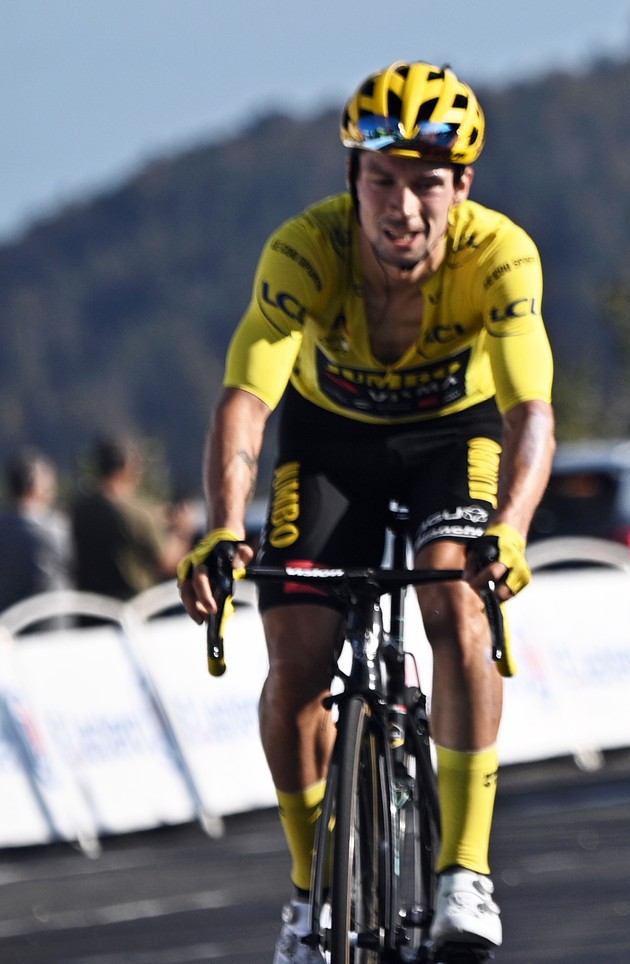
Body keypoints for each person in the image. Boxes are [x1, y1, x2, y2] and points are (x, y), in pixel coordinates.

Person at [176, 62, 555, 963]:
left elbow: (529, 408)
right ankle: (310, 894)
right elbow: (245, 400)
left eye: (426, 183)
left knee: (456, 601)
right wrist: (226, 525)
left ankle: (465, 872)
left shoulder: (500, 254)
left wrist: (513, 525)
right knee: (297, 663)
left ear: (461, 186)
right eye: (381, 181)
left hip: (448, 439)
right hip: (328, 442)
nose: (403, 207)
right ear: (353, 180)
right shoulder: (305, 250)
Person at [70, 434, 184, 599]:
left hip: (90, 610)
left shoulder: (80, 508)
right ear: (127, 465)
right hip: (133, 609)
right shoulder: (137, 513)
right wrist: (181, 530)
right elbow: (168, 563)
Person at [0, 448, 72, 612]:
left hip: (8, 625)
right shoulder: (55, 529)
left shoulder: (3, 527)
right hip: (51, 625)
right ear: (35, 484)